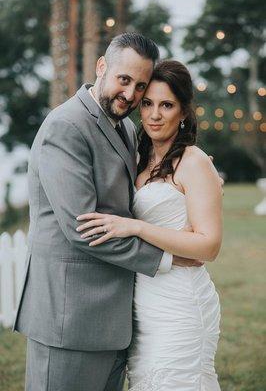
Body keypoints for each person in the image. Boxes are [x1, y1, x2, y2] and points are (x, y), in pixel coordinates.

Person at [13, 33, 202, 391]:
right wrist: (167, 258)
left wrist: (200, 177)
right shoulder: (66, 127)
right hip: (70, 319)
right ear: (102, 67)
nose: (130, 95)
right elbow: (84, 229)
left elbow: (152, 176)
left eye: (140, 85)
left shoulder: (127, 128)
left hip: (114, 320)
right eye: (124, 79)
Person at [76, 60, 222, 390]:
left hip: (180, 303)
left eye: (166, 105)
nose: (154, 114)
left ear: (183, 111)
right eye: (147, 103)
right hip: (143, 304)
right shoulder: (139, 157)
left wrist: (136, 228)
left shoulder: (194, 161)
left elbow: (209, 246)